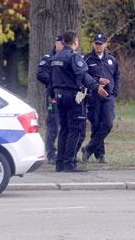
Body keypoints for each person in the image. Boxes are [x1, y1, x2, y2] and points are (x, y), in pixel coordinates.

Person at [50, 30, 108, 172]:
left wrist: (51, 95)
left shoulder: (55, 57)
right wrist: (96, 87)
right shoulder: (73, 57)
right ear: (75, 41)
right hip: (72, 97)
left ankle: (60, 163)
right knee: (75, 130)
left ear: (63, 42)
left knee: (64, 129)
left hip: (58, 97)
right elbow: (83, 75)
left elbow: (51, 80)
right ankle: (69, 163)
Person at [81, 33, 120, 164]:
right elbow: (83, 76)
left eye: (101, 43)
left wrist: (115, 91)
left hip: (108, 96)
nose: (98, 46)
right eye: (96, 43)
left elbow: (117, 76)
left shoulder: (112, 59)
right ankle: (100, 155)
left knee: (108, 123)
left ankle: (88, 148)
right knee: (96, 125)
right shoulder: (87, 59)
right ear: (94, 44)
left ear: (105, 44)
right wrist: (97, 80)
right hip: (94, 96)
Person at [36, 34, 63, 164]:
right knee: (53, 125)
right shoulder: (48, 58)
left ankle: (65, 153)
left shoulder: (69, 57)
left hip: (68, 96)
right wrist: (54, 82)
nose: (62, 45)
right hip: (54, 96)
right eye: (60, 43)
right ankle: (50, 153)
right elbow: (40, 74)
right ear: (55, 43)